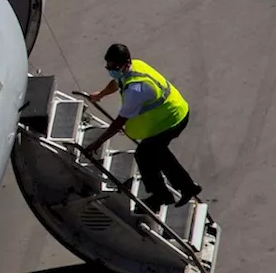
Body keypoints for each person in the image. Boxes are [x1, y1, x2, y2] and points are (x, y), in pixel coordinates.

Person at [82, 43, 202, 211]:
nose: (110, 69)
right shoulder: (132, 67)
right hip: (173, 111)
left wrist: (97, 143)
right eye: (108, 66)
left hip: (172, 119)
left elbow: (119, 122)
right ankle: (186, 187)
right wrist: (100, 94)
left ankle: (162, 195)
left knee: (144, 154)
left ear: (125, 63)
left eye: (113, 67)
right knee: (158, 153)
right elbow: (117, 82)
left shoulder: (137, 89)